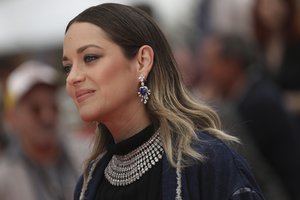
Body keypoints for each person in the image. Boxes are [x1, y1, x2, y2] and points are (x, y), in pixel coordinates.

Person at [62, 3, 264, 200]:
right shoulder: (88, 185)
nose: (72, 78)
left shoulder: (208, 162)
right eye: (67, 67)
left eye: (89, 58)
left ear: (142, 61)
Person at [197, 33, 300, 200]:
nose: (205, 69)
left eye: (211, 62)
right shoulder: (246, 95)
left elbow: (262, 170)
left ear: (233, 64)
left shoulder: (258, 103)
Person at [0, 60, 79, 200]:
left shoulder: (86, 156)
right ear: (12, 117)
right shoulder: (4, 178)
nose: (48, 117)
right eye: (35, 110)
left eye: (53, 106)